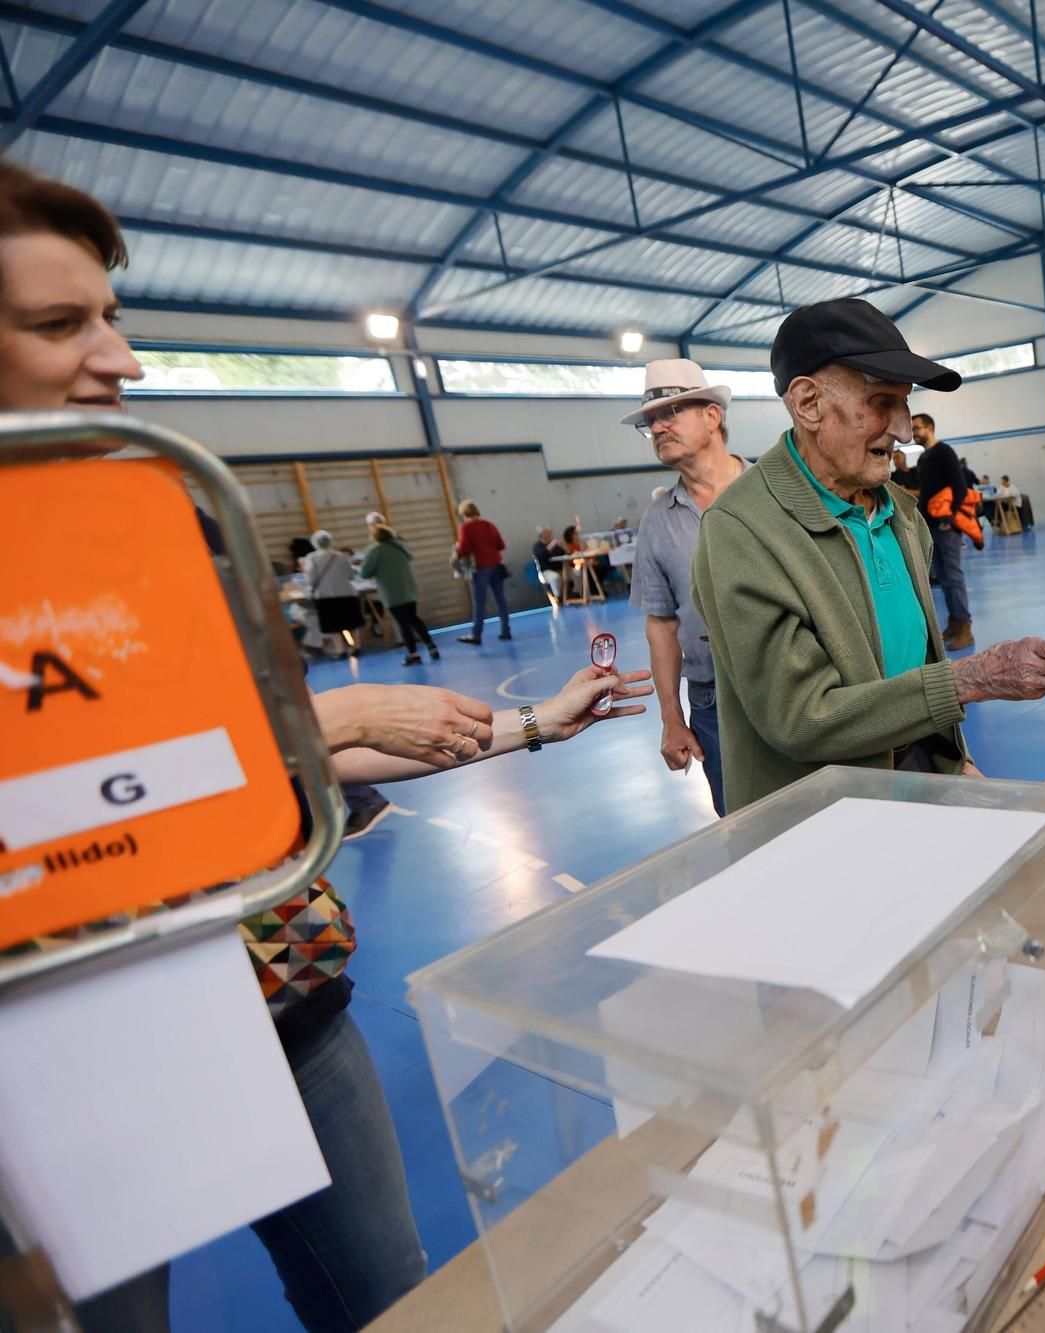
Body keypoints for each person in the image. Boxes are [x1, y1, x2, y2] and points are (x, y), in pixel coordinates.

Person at [0, 158, 657, 1333]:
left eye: (113, 316)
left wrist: (523, 726)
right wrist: (329, 716)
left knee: (390, 1298)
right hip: (57, 1072)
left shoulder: (143, 532)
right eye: (60, 324)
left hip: (279, 1004)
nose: (122, 358)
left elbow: (276, 778)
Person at [690, 297, 1045, 811]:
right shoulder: (741, 530)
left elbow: (914, 663)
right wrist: (971, 678)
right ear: (808, 403)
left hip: (915, 776)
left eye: (905, 405)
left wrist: (950, 759)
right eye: (882, 402)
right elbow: (801, 717)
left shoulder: (899, 513)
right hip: (820, 819)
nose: (904, 429)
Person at [624, 357, 745, 816]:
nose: (658, 428)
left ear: (712, 416)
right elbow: (661, 626)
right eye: (651, 421)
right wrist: (672, 718)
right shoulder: (657, 521)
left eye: (670, 413)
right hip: (712, 705)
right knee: (746, 827)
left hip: (792, 688)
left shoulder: (774, 490)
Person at [911, 411, 974, 650]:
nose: (914, 433)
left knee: (953, 575)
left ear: (930, 428)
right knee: (944, 577)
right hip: (929, 526)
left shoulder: (944, 452)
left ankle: (966, 628)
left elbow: (960, 486)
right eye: (913, 429)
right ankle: (955, 622)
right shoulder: (923, 459)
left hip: (946, 526)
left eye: (917, 428)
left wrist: (951, 515)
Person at [360, 520, 436, 667]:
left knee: (403, 623)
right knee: (414, 618)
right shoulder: (400, 547)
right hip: (408, 588)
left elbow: (365, 572)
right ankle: (431, 645)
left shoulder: (375, 551)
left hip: (391, 591)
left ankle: (413, 654)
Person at [453, 499, 509, 645]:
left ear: (463, 514)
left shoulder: (466, 527)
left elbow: (464, 549)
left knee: (479, 602)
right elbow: (501, 545)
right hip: (496, 565)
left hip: (481, 567)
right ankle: (505, 630)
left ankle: (476, 634)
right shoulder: (489, 525)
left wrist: (456, 550)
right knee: (500, 599)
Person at [301, 530, 362, 659]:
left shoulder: (312, 558)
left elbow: (311, 579)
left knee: (332, 626)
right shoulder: (341, 556)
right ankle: (356, 647)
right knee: (352, 622)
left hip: (325, 596)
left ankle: (340, 650)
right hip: (347, 594)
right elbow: (351, 575)